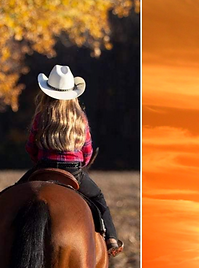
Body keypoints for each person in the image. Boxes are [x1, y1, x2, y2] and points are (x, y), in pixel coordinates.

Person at [22, 65, 123, 256]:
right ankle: (111, 239)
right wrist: (79, 164)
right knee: (98, 198)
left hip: (43, 167)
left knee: (12, 194)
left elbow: (31, 147)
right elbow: (87, 151)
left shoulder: (41, 117)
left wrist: (40, 161)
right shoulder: (80, 118)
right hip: (73, 171)